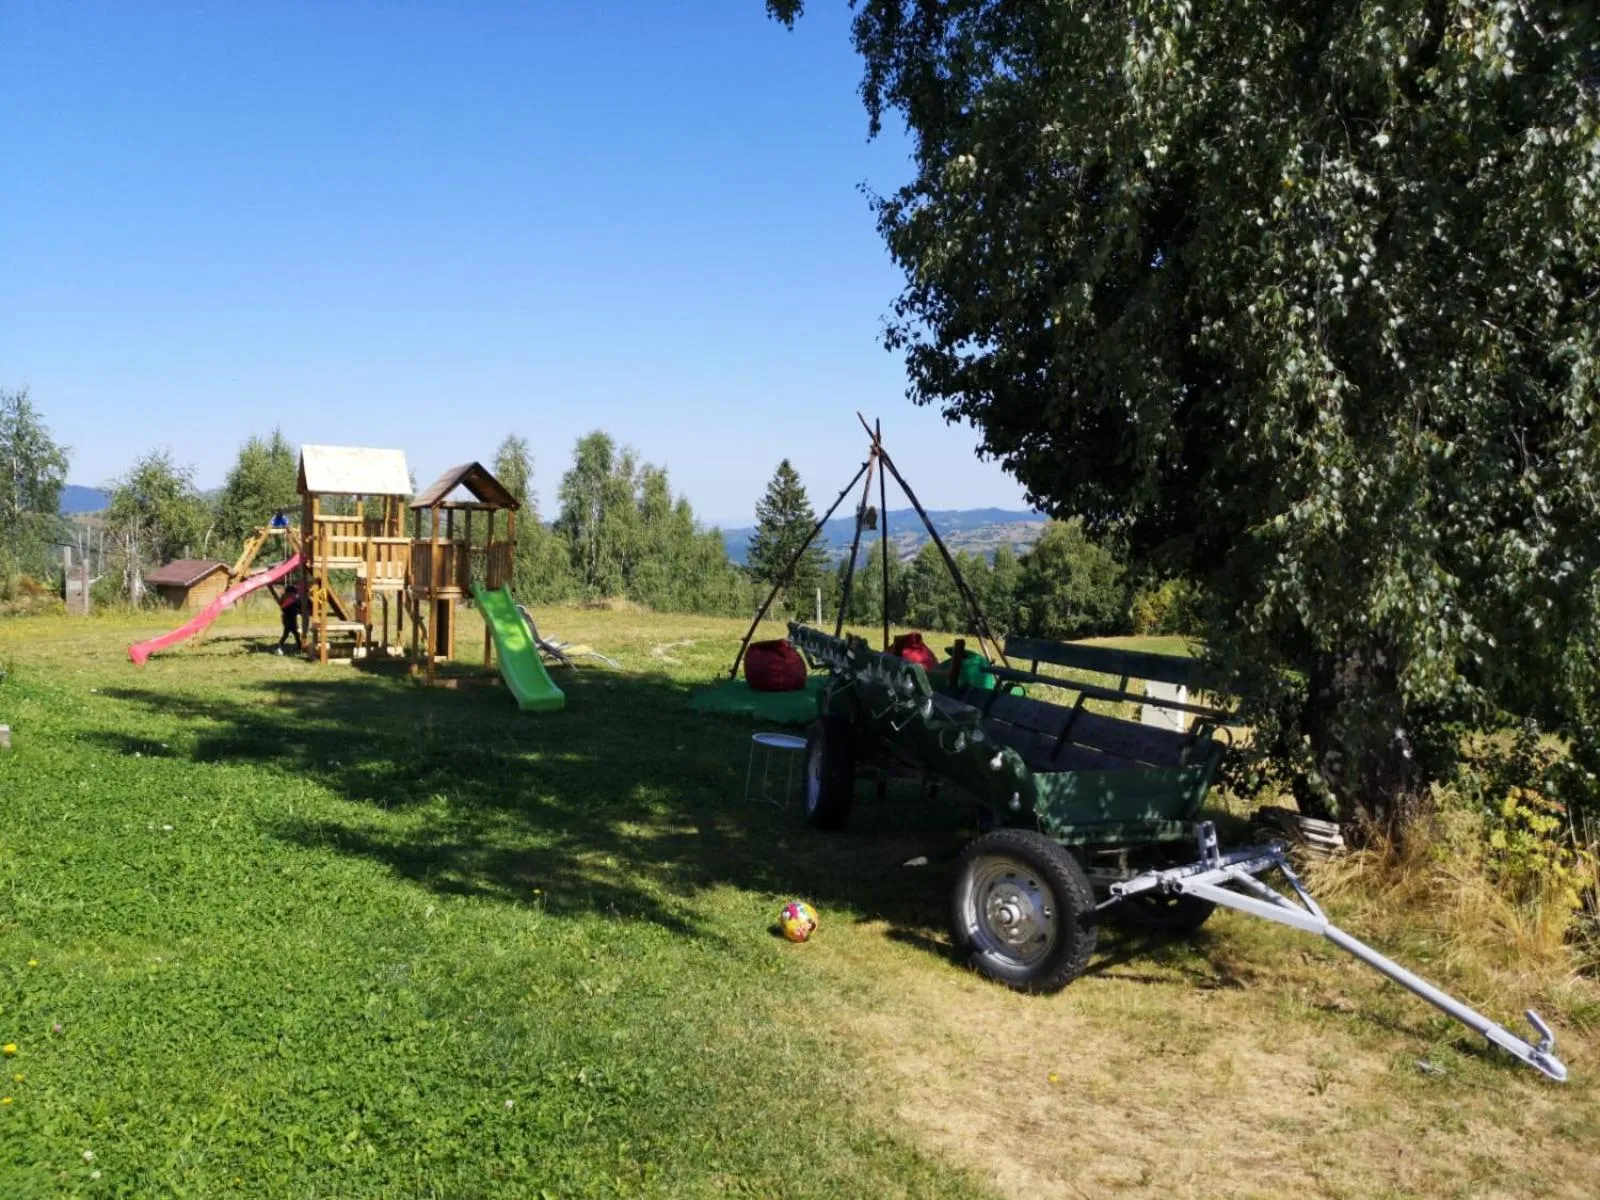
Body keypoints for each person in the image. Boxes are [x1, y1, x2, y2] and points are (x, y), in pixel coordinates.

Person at [277, 583, 303, 655]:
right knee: (295, 634)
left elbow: (281, 605)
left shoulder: (284, 597)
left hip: (286, 618)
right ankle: (300, 648)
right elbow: (298, 606)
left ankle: (280, 646)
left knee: (287, 633)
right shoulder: (293, 598)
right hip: (291, 619)